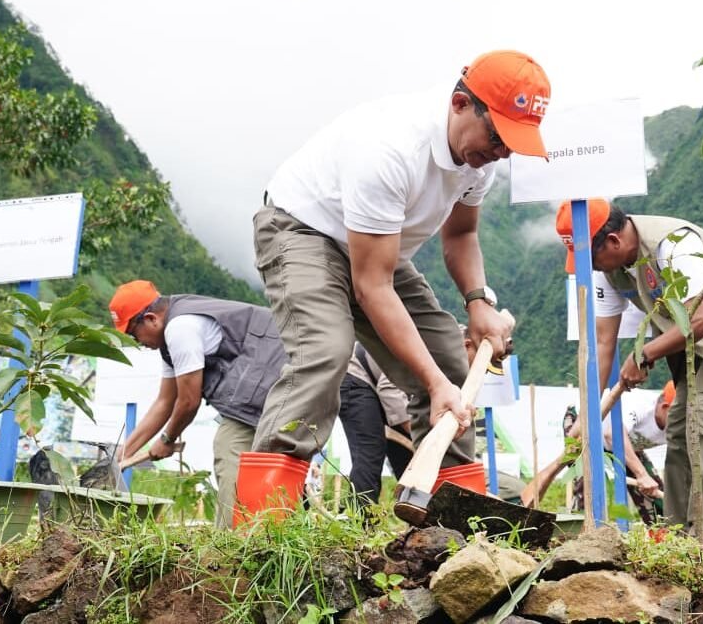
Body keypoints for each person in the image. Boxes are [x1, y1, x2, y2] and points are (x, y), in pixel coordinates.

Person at [241, 51, 548, 516]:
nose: (501, 152)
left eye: (513, 142)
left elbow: (461, 235)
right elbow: (372, 288)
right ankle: (262, 528)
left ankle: (445, 523)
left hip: (377, 249)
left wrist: (478, 302)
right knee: (325, 350)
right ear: (462, 103)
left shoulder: (477, 161)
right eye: (498, 135)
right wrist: (432, 382)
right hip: (304, 230)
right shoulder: (389, 148)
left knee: (449, 357)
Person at [554, 199, 703, 533]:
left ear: (613, 242)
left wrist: (643, 354)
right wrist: (589, 413)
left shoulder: (674, 245)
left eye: (591, 259)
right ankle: (679, 536)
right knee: (679, 426)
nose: (591, 268)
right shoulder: (610, 271)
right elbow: (603, 342)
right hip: (695, 340)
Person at [109, 280, 285, 527]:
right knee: (262, 462)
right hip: (267, 378)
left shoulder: (180, 329)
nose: (136, 341)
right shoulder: (170, 339)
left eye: (132, 333)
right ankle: (263, 534)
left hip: (273, 371)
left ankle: (231, 547)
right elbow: (165, 402)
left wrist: (167, 439)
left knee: (230, 447)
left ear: (150, 319)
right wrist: (123, 452)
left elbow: (188, 402)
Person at [565, 382, 672, 523]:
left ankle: (663, 536)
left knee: (654, 493)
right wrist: (642, 474)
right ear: (665, 407)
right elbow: (613, 434)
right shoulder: (639, 404)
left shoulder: (683, 425)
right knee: (588, 484)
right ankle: (580, 533)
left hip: (626, 447)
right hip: (587, 426)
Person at [339, 342, 414, 506]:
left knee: (409, 458)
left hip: (382, 391)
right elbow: (389, 389)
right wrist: (419, 438)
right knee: (370, 449)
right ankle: (361, 519)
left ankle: (419, 514)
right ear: (467, 344)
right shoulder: (439, 348)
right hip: (355, 376)